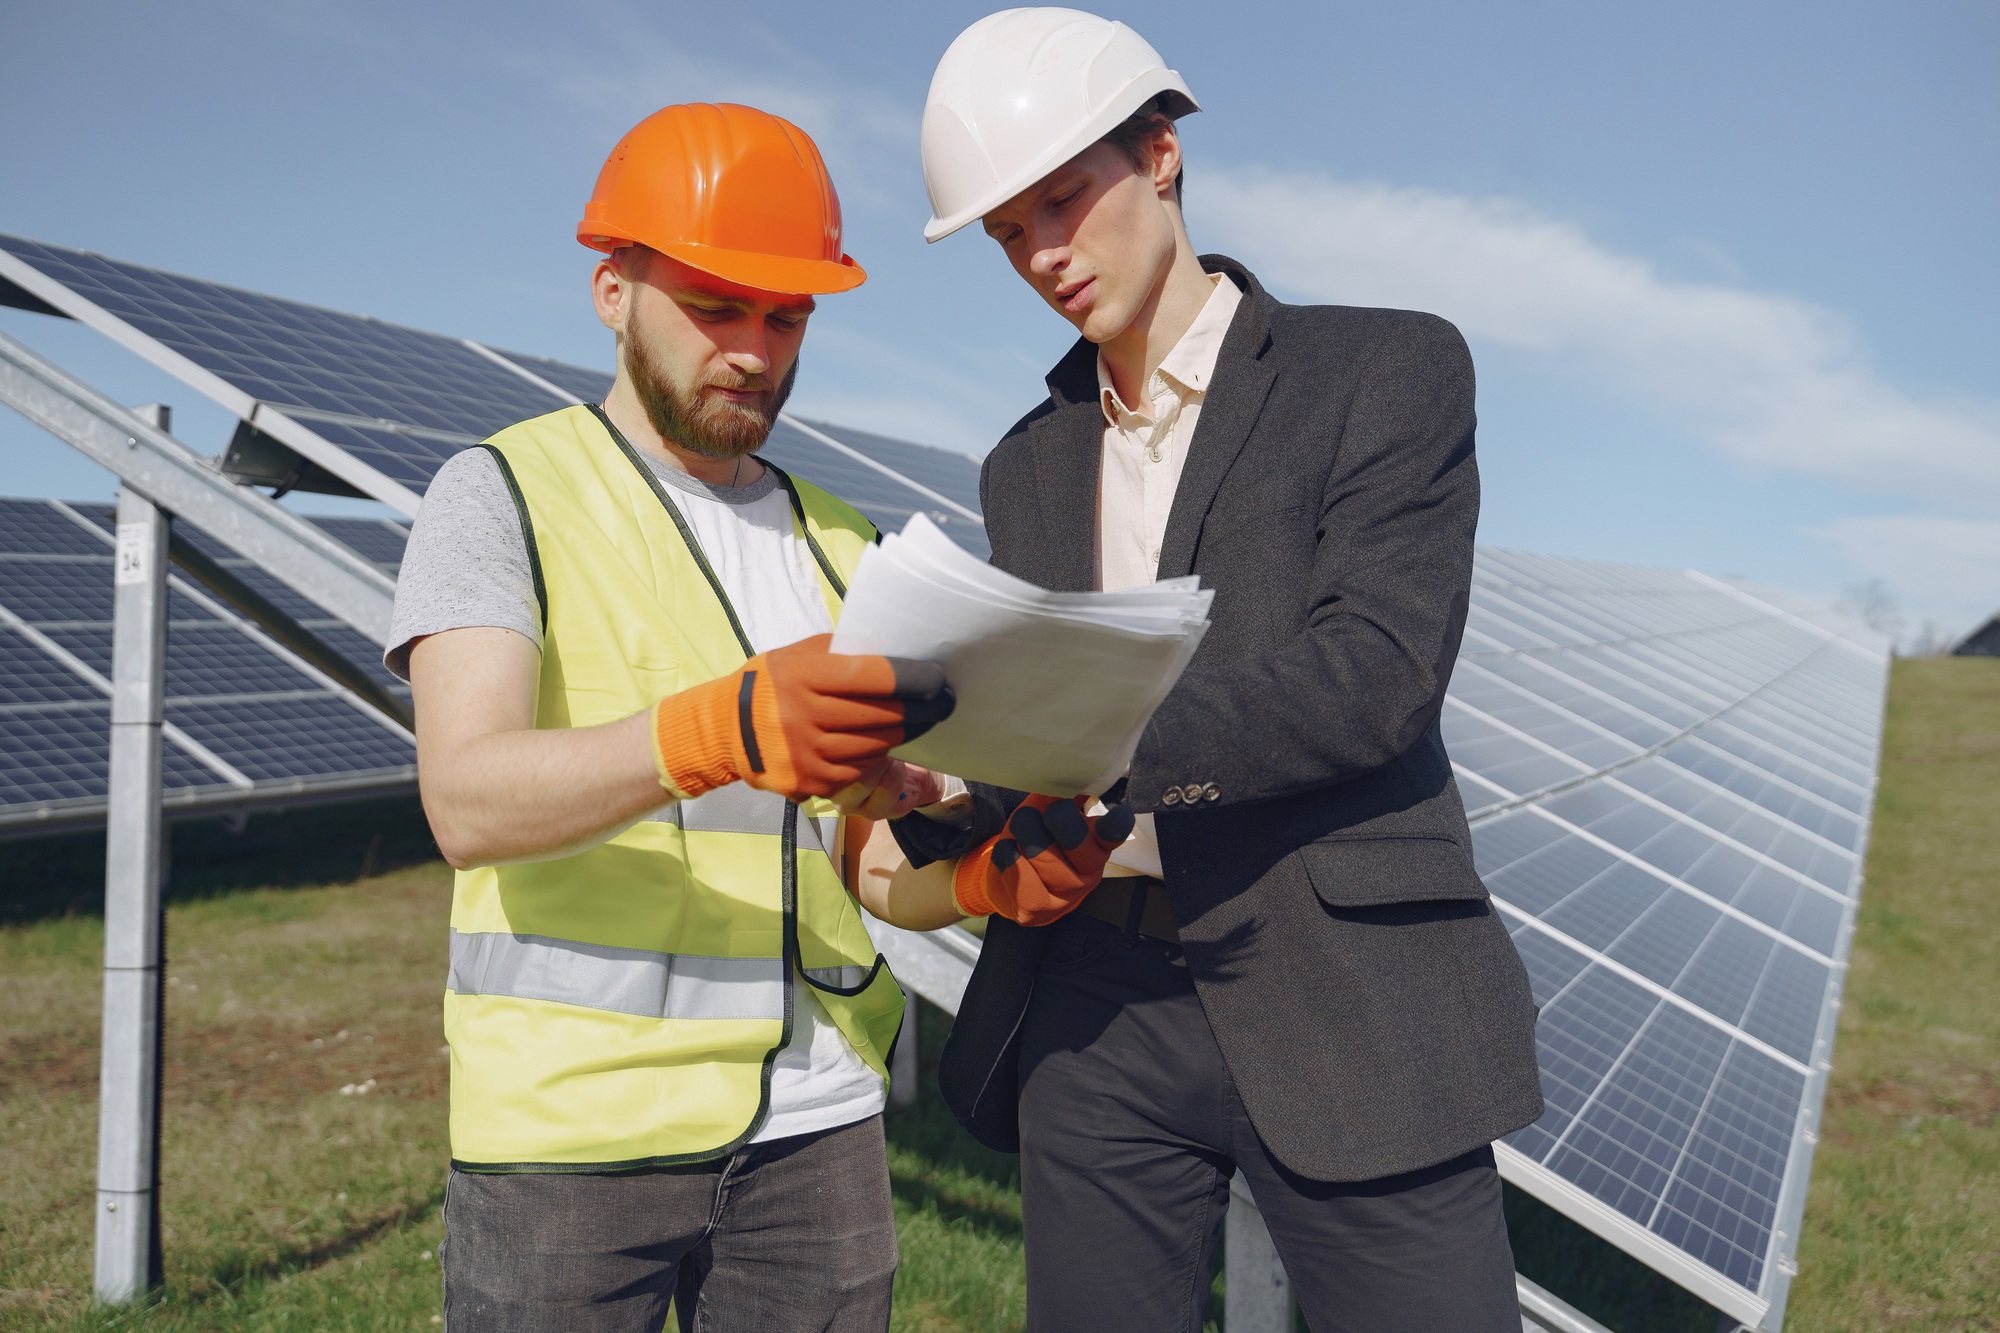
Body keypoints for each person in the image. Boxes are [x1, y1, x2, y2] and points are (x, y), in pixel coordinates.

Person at [876, 11, 1547, 1331]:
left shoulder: (1386, 368)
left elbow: (1377, 671)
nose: (1044, 256)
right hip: (1095, 1006)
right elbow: (1034, 752)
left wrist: (1087, 725)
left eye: (1062, 201)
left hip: (1344, 990)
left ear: (1163, 152)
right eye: (1009, 233)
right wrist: (939, 778)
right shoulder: (1027, 458)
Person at [386, 102, 951, 1332]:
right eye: (715, 306)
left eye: (786, 315)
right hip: (573, 1137)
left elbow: (860, 849)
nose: (754, 349)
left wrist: (978, 875)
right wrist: (713, 733)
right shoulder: (502, 494)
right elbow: (465, 799)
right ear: (610, 290)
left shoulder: (845, 541)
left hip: (821, 1127)